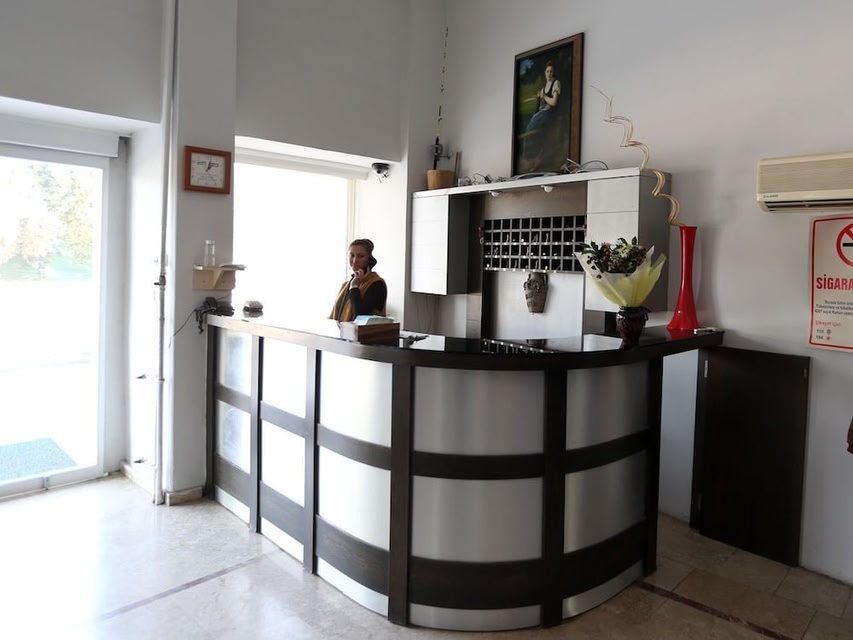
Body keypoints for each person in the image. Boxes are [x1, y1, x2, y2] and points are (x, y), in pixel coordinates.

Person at [329, 238, 387, 321]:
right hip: (341, 329)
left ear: (370, 260)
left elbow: (360, 314)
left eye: (361, 256)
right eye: (352, 255)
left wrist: (354, 287)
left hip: (364, 330)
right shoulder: (346, 284)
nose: (355, 260)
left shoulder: (377, 284)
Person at [521, 60, 561, 172]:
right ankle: (531, 158)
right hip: (542, 112)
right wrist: (540, 97)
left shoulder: (556, 83)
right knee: (529, 127)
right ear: (544, 72)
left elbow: (553, 102)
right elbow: (540, 105)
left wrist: (544, 97)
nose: (549, 73)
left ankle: (534, 158)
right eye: (547, 71)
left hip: (550, 113)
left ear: (553, 72)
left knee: (533, 129)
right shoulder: (544, 87)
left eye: (551, 71)